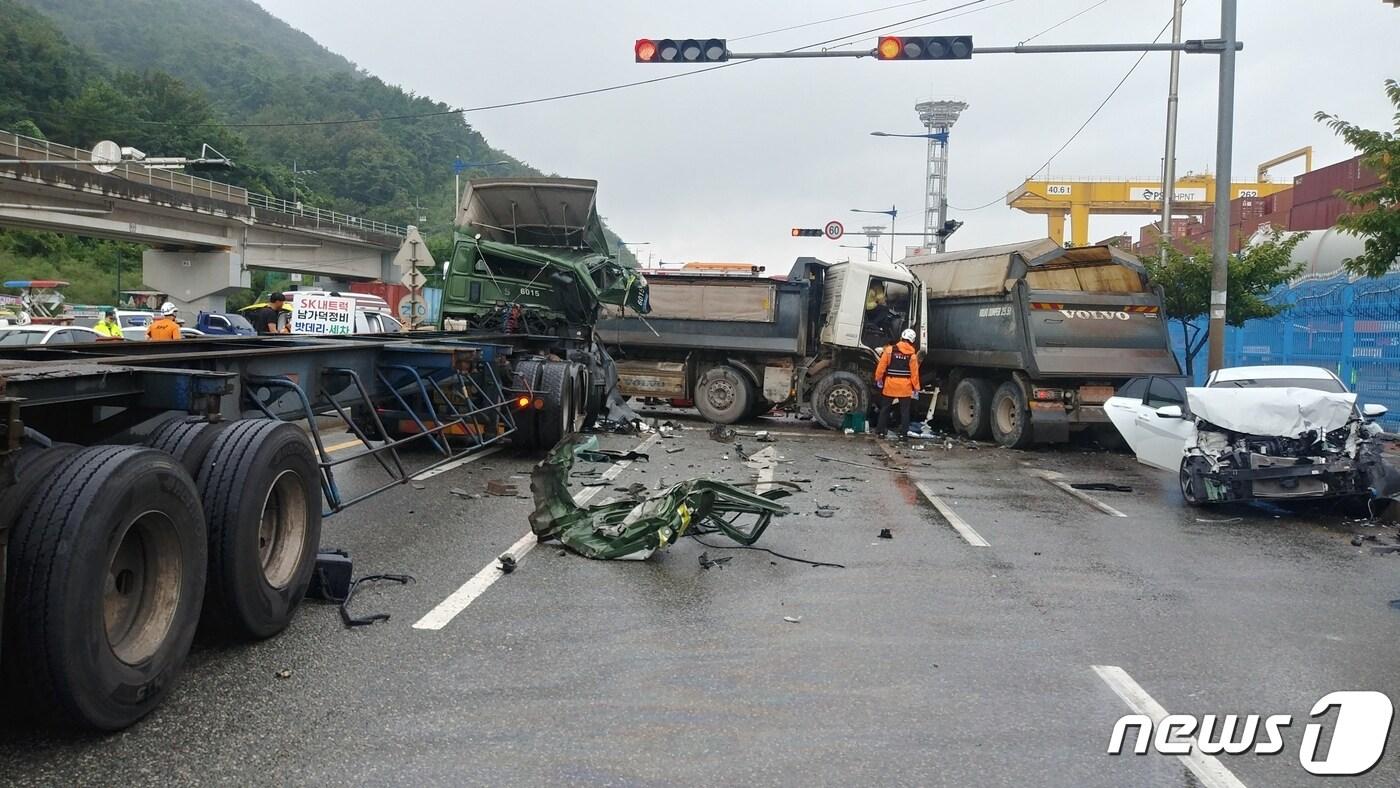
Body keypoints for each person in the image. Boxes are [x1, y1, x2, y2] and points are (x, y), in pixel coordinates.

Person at [875, 328, 922, 440]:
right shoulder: (912, 356)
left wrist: (878, 379)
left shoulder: (890, 350)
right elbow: (914, 375)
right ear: (912, 341)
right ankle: (903, 434)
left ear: (901, 338)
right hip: (905, 387)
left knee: (885, 408)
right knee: (905, 411)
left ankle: (880, 431)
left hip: (890, 384)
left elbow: (881, 367)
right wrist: (916, 388)